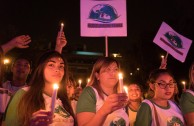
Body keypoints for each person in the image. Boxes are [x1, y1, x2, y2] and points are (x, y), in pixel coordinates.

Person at [4, 50, 76, 126]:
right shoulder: (24, 94)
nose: (57, 70)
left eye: (61, 66)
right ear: (41, 69)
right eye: (51, 65)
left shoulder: (64, 100)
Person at [76, 57, 129, 126]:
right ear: (97, 75)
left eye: (115, 69)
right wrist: (104, 110)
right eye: (107, 70)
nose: (113, 73)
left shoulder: (120, 95)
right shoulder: (89, 93)